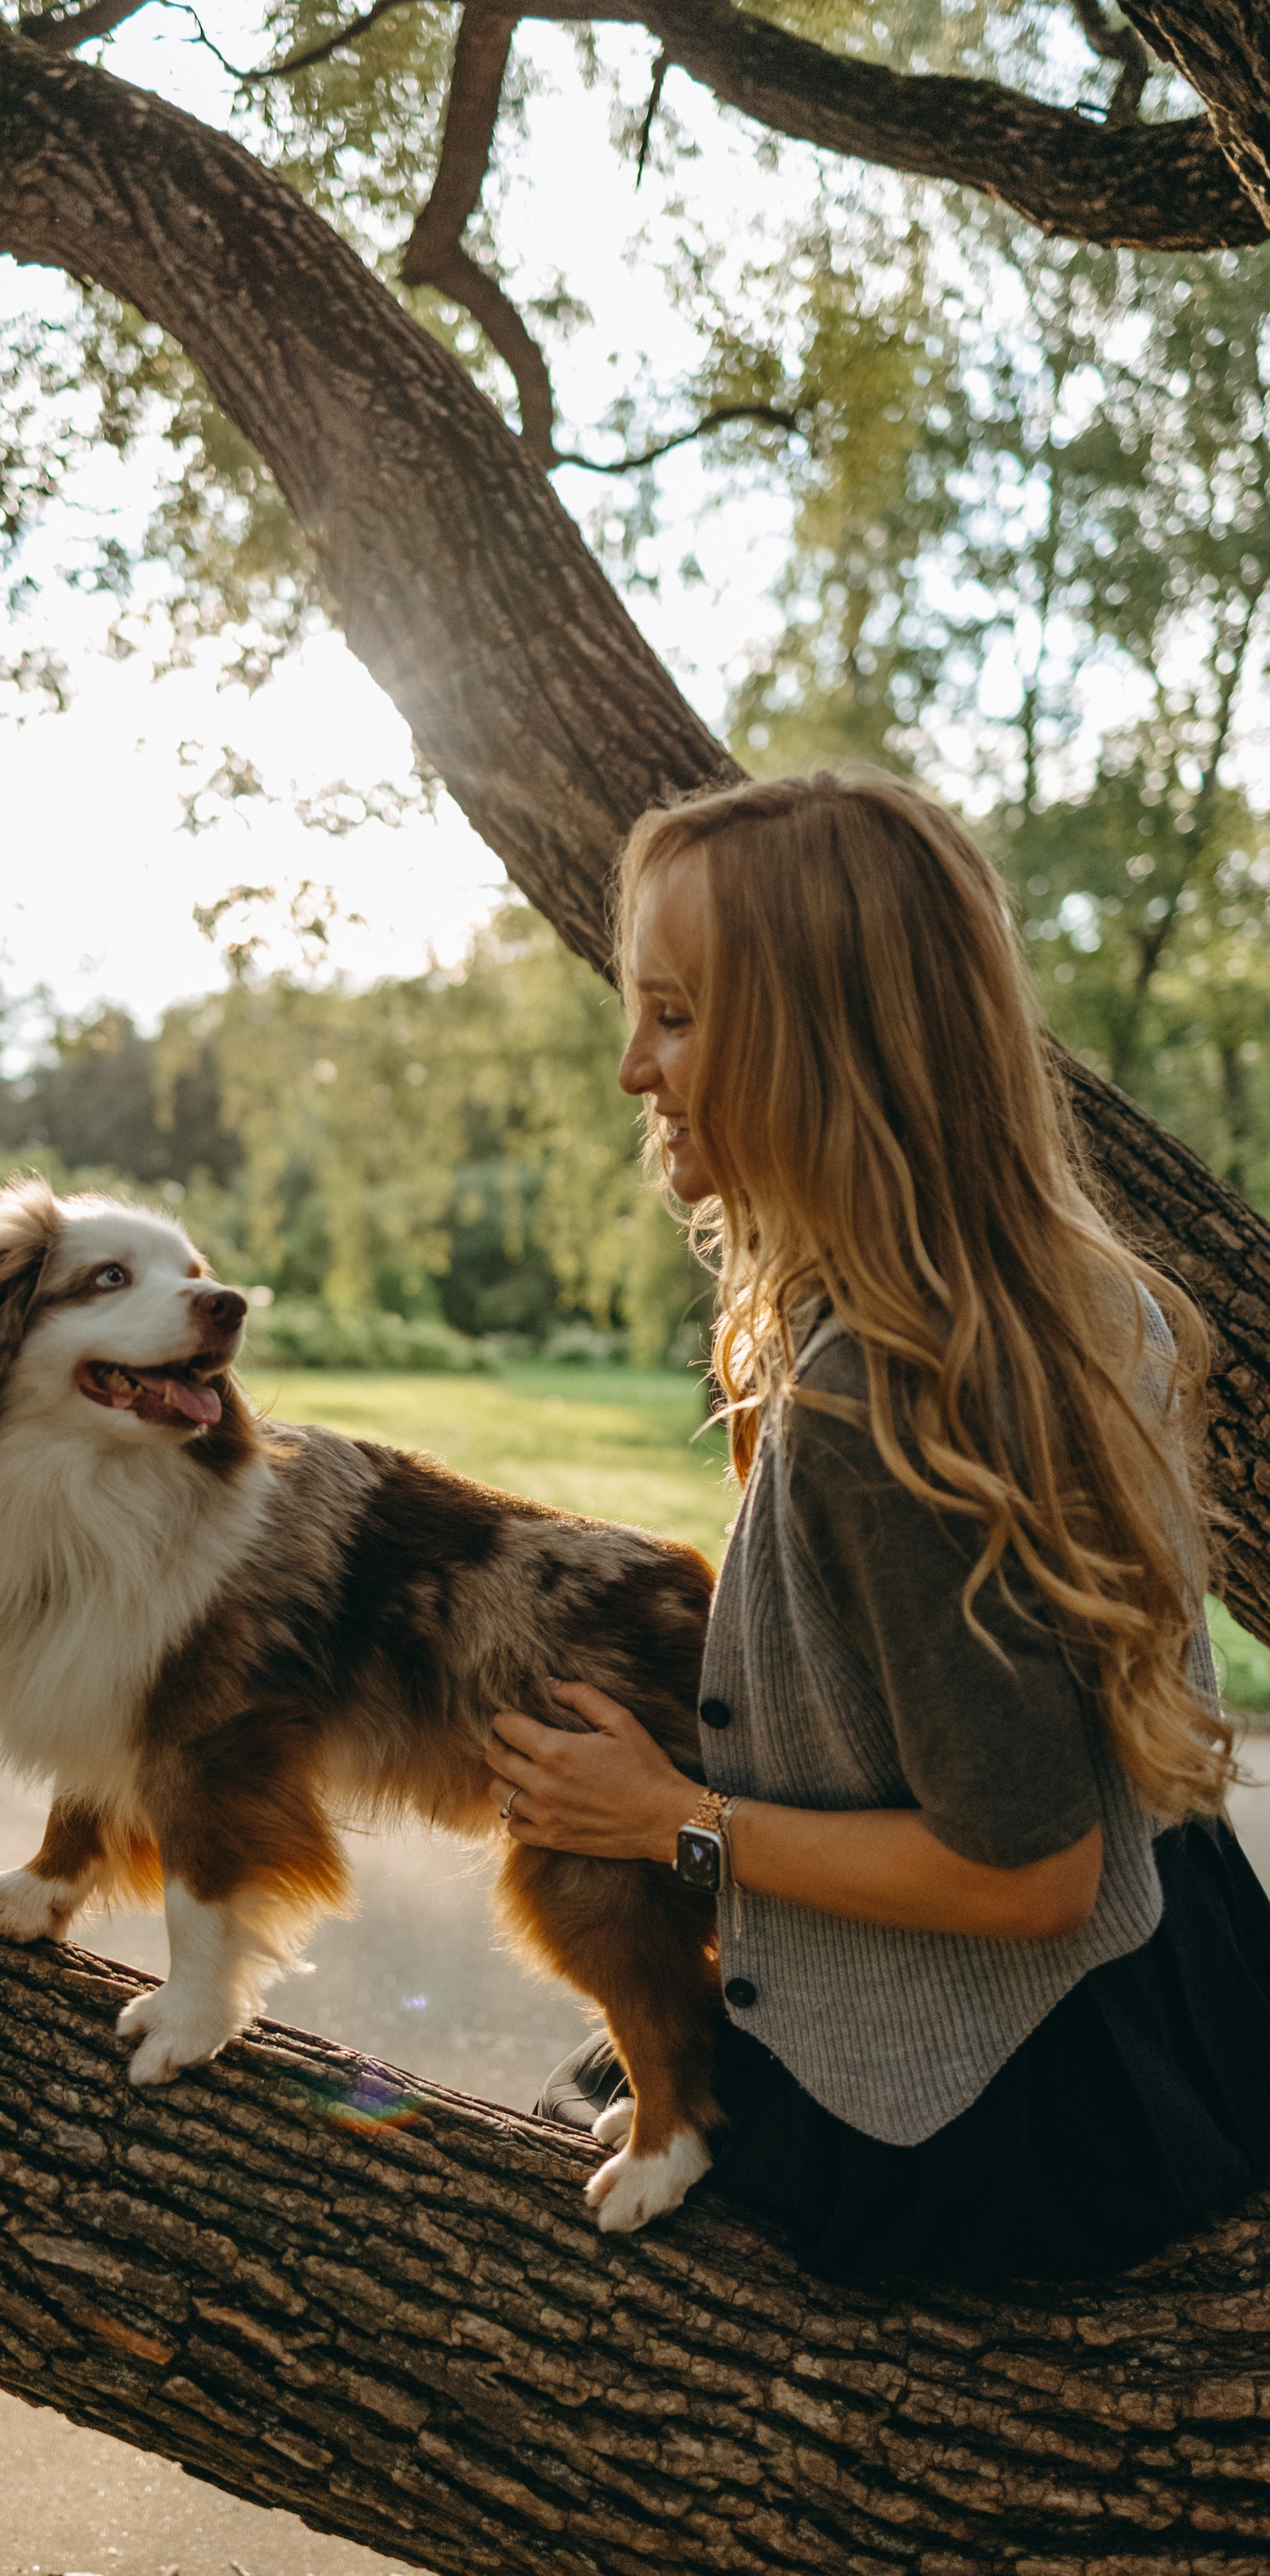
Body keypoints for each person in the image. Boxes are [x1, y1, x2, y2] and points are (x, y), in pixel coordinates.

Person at [487, 769, 1270, 2281]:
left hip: (1010, 2118)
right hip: (1185, 1986)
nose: (632, 1068)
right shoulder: (1059, 1285)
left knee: (579, 2192)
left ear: (813, 1047)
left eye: (674, 1016)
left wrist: (662, 1818)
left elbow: (1027, 1875)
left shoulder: (887, 1406)